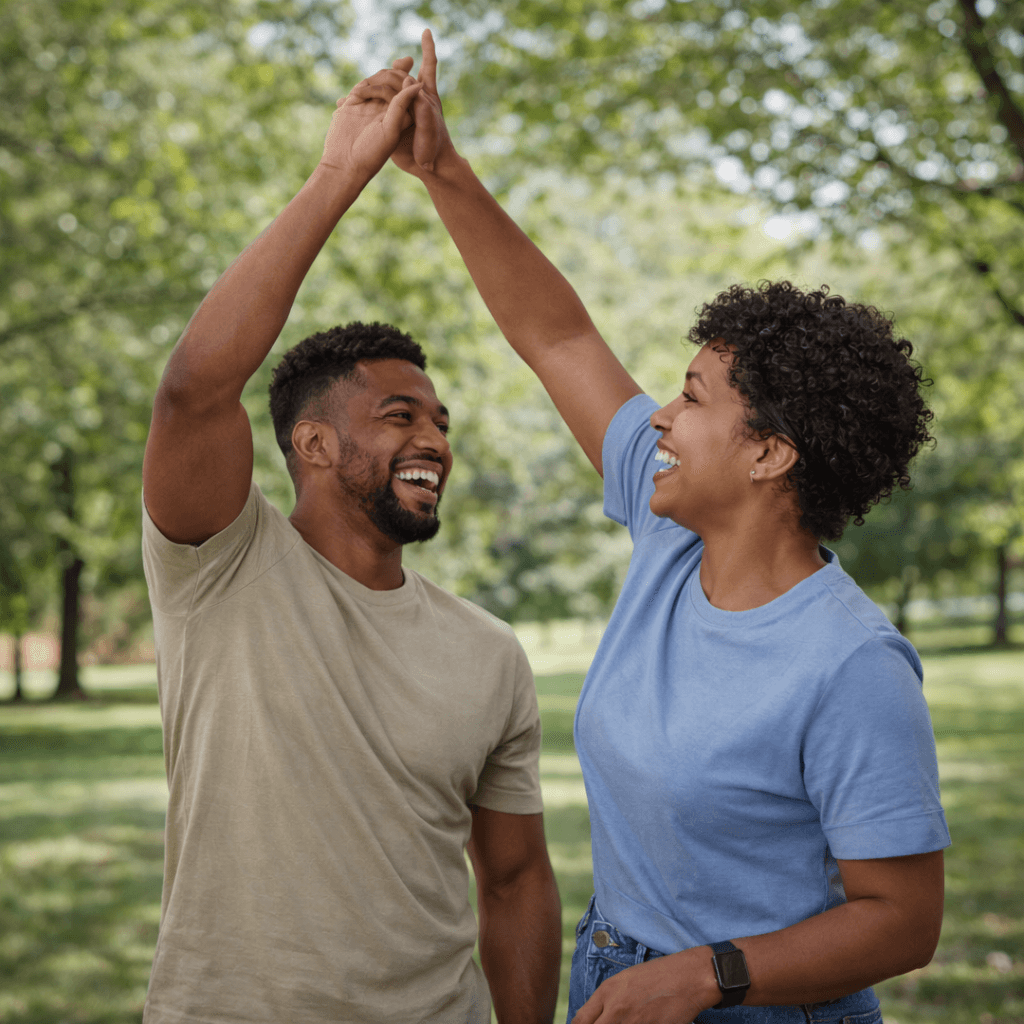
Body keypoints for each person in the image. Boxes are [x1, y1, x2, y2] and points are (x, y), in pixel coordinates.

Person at [386, 30, 950, 1024]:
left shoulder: (849, 662)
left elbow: (901, 919)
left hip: (759, 1002)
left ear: (769, 455)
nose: (658, 415)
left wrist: (703, 974)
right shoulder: (669, 533)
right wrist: (442, 173)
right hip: (619, 971)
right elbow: (556, 334)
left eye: (691, 397)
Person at [140, 64, 560, 1024]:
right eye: (399, 415)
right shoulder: (221, 566)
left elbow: (514, 881)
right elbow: (195, 390)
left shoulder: (490, 653)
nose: (435, 442)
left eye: (441, 422)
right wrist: (340, 175)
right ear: (314, 444)